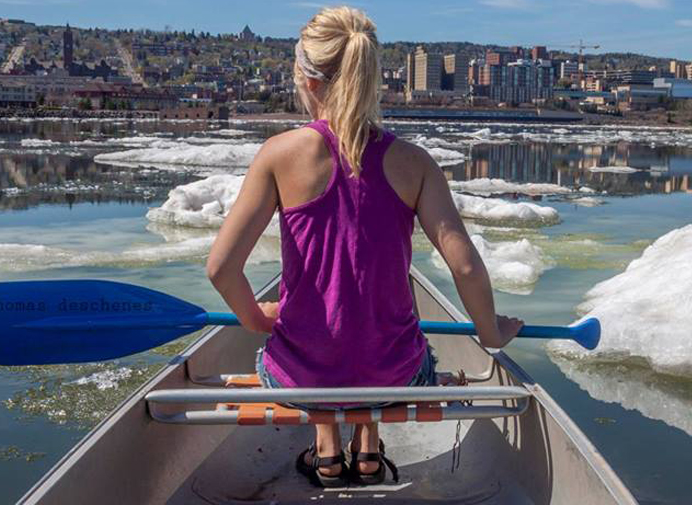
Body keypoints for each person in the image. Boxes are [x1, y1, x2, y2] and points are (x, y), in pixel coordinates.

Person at [206, 5, 523, 488]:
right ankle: (368, 445)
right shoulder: (415, 163)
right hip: (394, 377)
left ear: (308, 81)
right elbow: (465, 266)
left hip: (305, 377)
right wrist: (490, 331)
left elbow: (222, 268)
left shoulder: (278, 155)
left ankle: (327, 449)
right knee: (382, 343)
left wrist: (255, 319)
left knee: (306, 350)